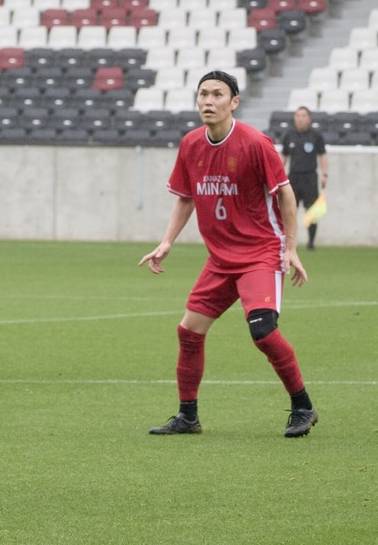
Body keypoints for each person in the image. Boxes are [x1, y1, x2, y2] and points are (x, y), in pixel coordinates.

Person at [139, 70, 317, 439]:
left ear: (234, 101)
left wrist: (290, 247)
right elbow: (186, 197)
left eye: (217, 94)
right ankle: (188, 416)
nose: (208, 100)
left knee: (263, 332)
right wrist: (167, 241)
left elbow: (285, 193)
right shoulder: (191, 144)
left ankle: (303, 406)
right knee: (189, 331)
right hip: (220, 260)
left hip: (259, 253)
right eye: (203, 93)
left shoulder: (255, 143)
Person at [281, 106, 328, 251]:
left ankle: (311, 242)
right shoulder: (289, 135)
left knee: (311, 211)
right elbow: (284, 156)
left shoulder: (316, 136)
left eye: (303, 116)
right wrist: (278, 175)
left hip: (310, 178)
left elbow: (323, 155)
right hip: (293, 177)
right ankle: (288, 241)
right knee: (289, 211)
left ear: (309, 118)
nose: (300, 119)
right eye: (298, 116)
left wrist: (324, 174)